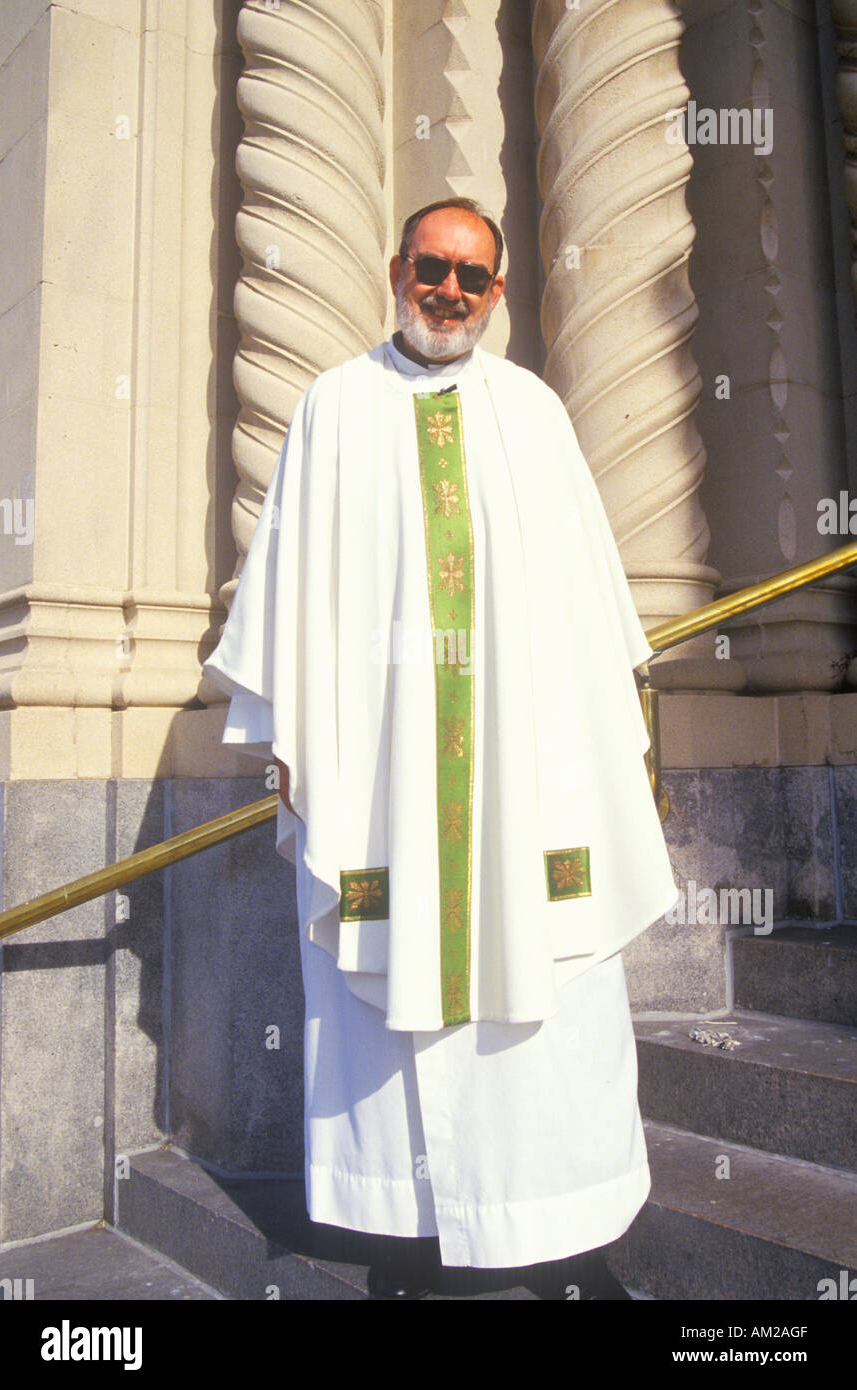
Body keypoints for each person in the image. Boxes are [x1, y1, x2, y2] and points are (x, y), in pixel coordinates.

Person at [203, 197, 677, 1299]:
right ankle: (408, 1216)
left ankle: (547, 1206)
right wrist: (286, 734)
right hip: (385, 781)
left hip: (522, 780)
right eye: (432, 266)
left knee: (543, 989)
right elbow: (287, 596)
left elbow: (591, 610)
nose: (449, 292)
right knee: (388, 971)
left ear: (497, 292)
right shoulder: (334, 407)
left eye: (472, 276)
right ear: (395, 268)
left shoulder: (533, 412)